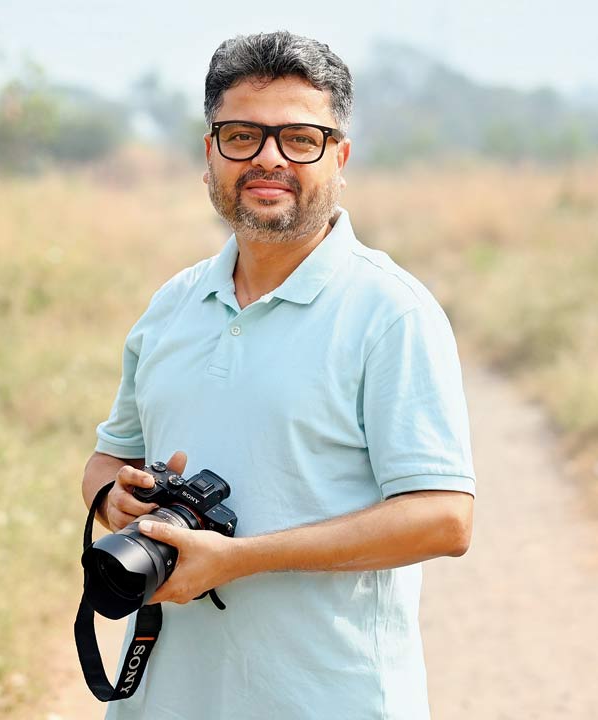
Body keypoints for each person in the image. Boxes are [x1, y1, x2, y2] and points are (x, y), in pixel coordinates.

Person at [81, 30, 475, 720]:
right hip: (163, 700)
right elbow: (108, 458)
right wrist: (117, 502)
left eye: (300, 138)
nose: (269, 158)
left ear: (340, 157)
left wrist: (243, 557)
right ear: (209, 154)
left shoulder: (390, 312)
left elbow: (444, 518)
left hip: (328, 698)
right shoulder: (173, 304)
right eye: (241, 136)